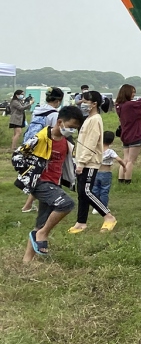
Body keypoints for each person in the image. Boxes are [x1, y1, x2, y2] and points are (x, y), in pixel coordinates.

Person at [22, 106, 84, 262]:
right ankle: (42, 234)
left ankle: (26, 261)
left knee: (41, 223)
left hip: (54, 183)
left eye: (75, 128)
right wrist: (29, 179)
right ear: (60, 122)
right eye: (70, 126)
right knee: (66, 204)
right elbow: (20, 155)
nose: (72, 130)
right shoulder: (41, 138)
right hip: (41, 183)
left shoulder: (65, 141)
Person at [68, 91, 118, 234]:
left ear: (94, 104)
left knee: (87, 191)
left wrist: (82, 162)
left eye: (85, 101)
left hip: (89, 162)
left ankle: (108, 216)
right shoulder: (88, 119)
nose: (82, 103)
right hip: (82, 160)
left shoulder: (96, 119)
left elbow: (91, 142)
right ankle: (81, 222)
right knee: (81, 192)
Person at [20, 87, 65, 213]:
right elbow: (57, 133)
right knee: (46, 178)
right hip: (47, 149)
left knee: (39, 176)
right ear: (58, 101)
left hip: (35, 147)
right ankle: (34, 205)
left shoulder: (38, 110)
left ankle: (31, 205)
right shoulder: (54, 114)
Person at [114, 84, 141, 184]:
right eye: (132, 92)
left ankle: (121, 179)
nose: (134, 94)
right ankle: (128, 180)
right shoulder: (130, 105)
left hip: (125, 135)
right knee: (131, 161)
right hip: (135, 134)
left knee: (125, 159)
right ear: (127, 92)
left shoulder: (120, 105)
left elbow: (139, 102)